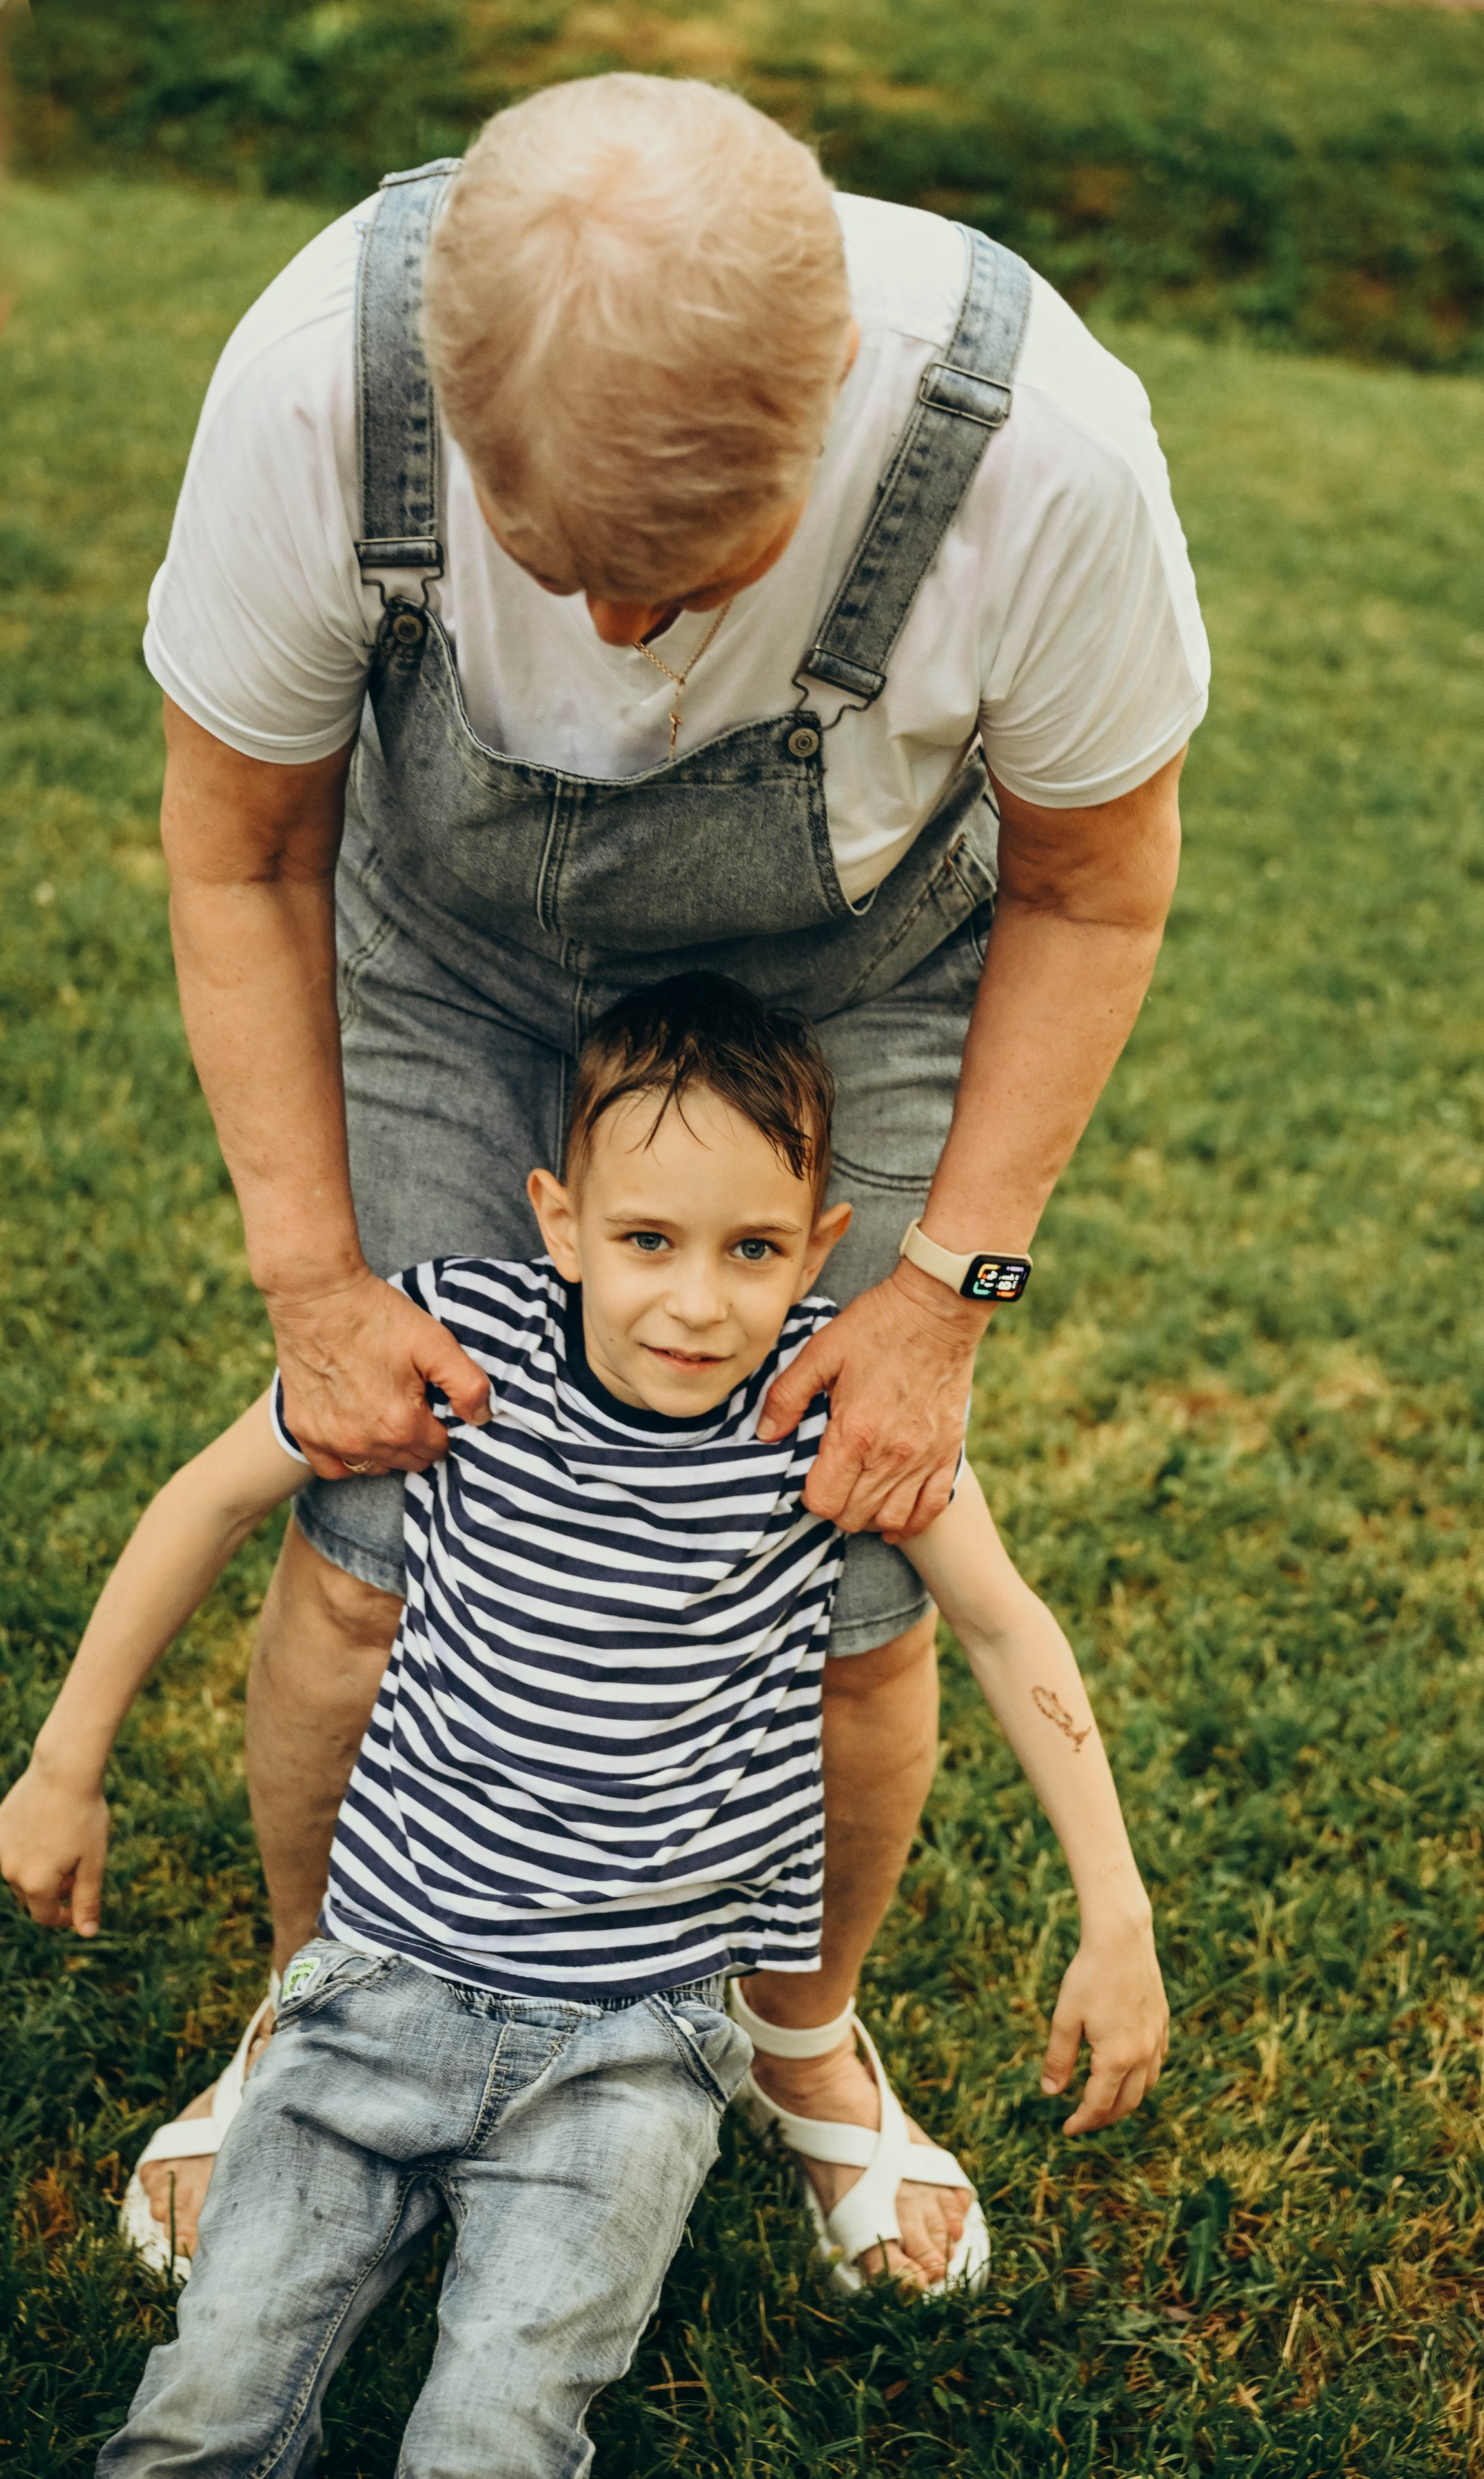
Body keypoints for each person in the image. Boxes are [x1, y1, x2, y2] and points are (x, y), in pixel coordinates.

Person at [138, 68, 1204, 2280]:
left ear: (818, 420)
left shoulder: (1044, 458)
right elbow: (242, 844)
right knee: (363, 1529)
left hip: (865, 972)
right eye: (560, 571)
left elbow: (1097, 893)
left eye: (682, 577)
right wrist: (315, 1289)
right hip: (443, 950)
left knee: (861, 1570)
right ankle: (321, 2006)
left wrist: (934, 1305)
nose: (618, 639)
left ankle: (801, 2027)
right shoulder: (316, 388)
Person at [5, 978, 1166, 2473]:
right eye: (646, 1242)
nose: (697, 1300)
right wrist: (62, 1758)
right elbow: (212, 1497)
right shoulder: (455, 1340)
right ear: (559, 1224)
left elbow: (1007, 1630)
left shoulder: (833, 1404)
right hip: (375, 1989)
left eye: (752, 1249)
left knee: (496, 2435)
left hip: (636, 2046)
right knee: (201, 2415)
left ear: (819, 1247)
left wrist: (1115, 1906)